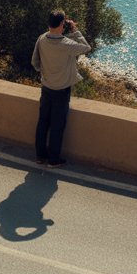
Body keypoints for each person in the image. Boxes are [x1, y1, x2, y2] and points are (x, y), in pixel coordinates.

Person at [31, 9, 91, 167]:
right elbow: (86, 48)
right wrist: (76, 30)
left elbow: (35, 62)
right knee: (57, 125)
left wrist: (46, 73)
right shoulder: (67, 44)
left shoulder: (42, 39)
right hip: (61, 91)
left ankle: (40, 156)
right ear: (62, 24)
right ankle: (53, 160)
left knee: (43, 122)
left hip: (46, 87)